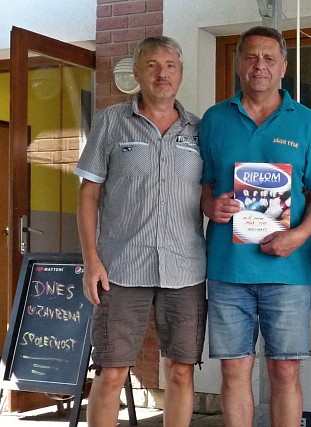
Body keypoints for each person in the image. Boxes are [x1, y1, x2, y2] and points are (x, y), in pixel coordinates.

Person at [199, 26, 311, 427]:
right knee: (234, 370)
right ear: (238, 63)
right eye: (251, 57)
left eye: (269, 58)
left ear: (283, 67)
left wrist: (298, 236)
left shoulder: (306, 122)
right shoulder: (214, 119)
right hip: (227, 268)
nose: (260, 65)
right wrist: (211, 206)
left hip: (287, 270)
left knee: (285, 370)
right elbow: (204, 188)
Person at [75, 36, 206, 427]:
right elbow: (88, 194)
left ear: (181, 73)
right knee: (112, 372)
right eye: (152, 65)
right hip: (120, 269)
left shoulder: (199, 130)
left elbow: (210, 192)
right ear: (136, 73)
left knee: (180, 371)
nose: (162, 74)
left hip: (185, 269)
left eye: (170, 65)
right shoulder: (111, 122)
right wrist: (91, 260)